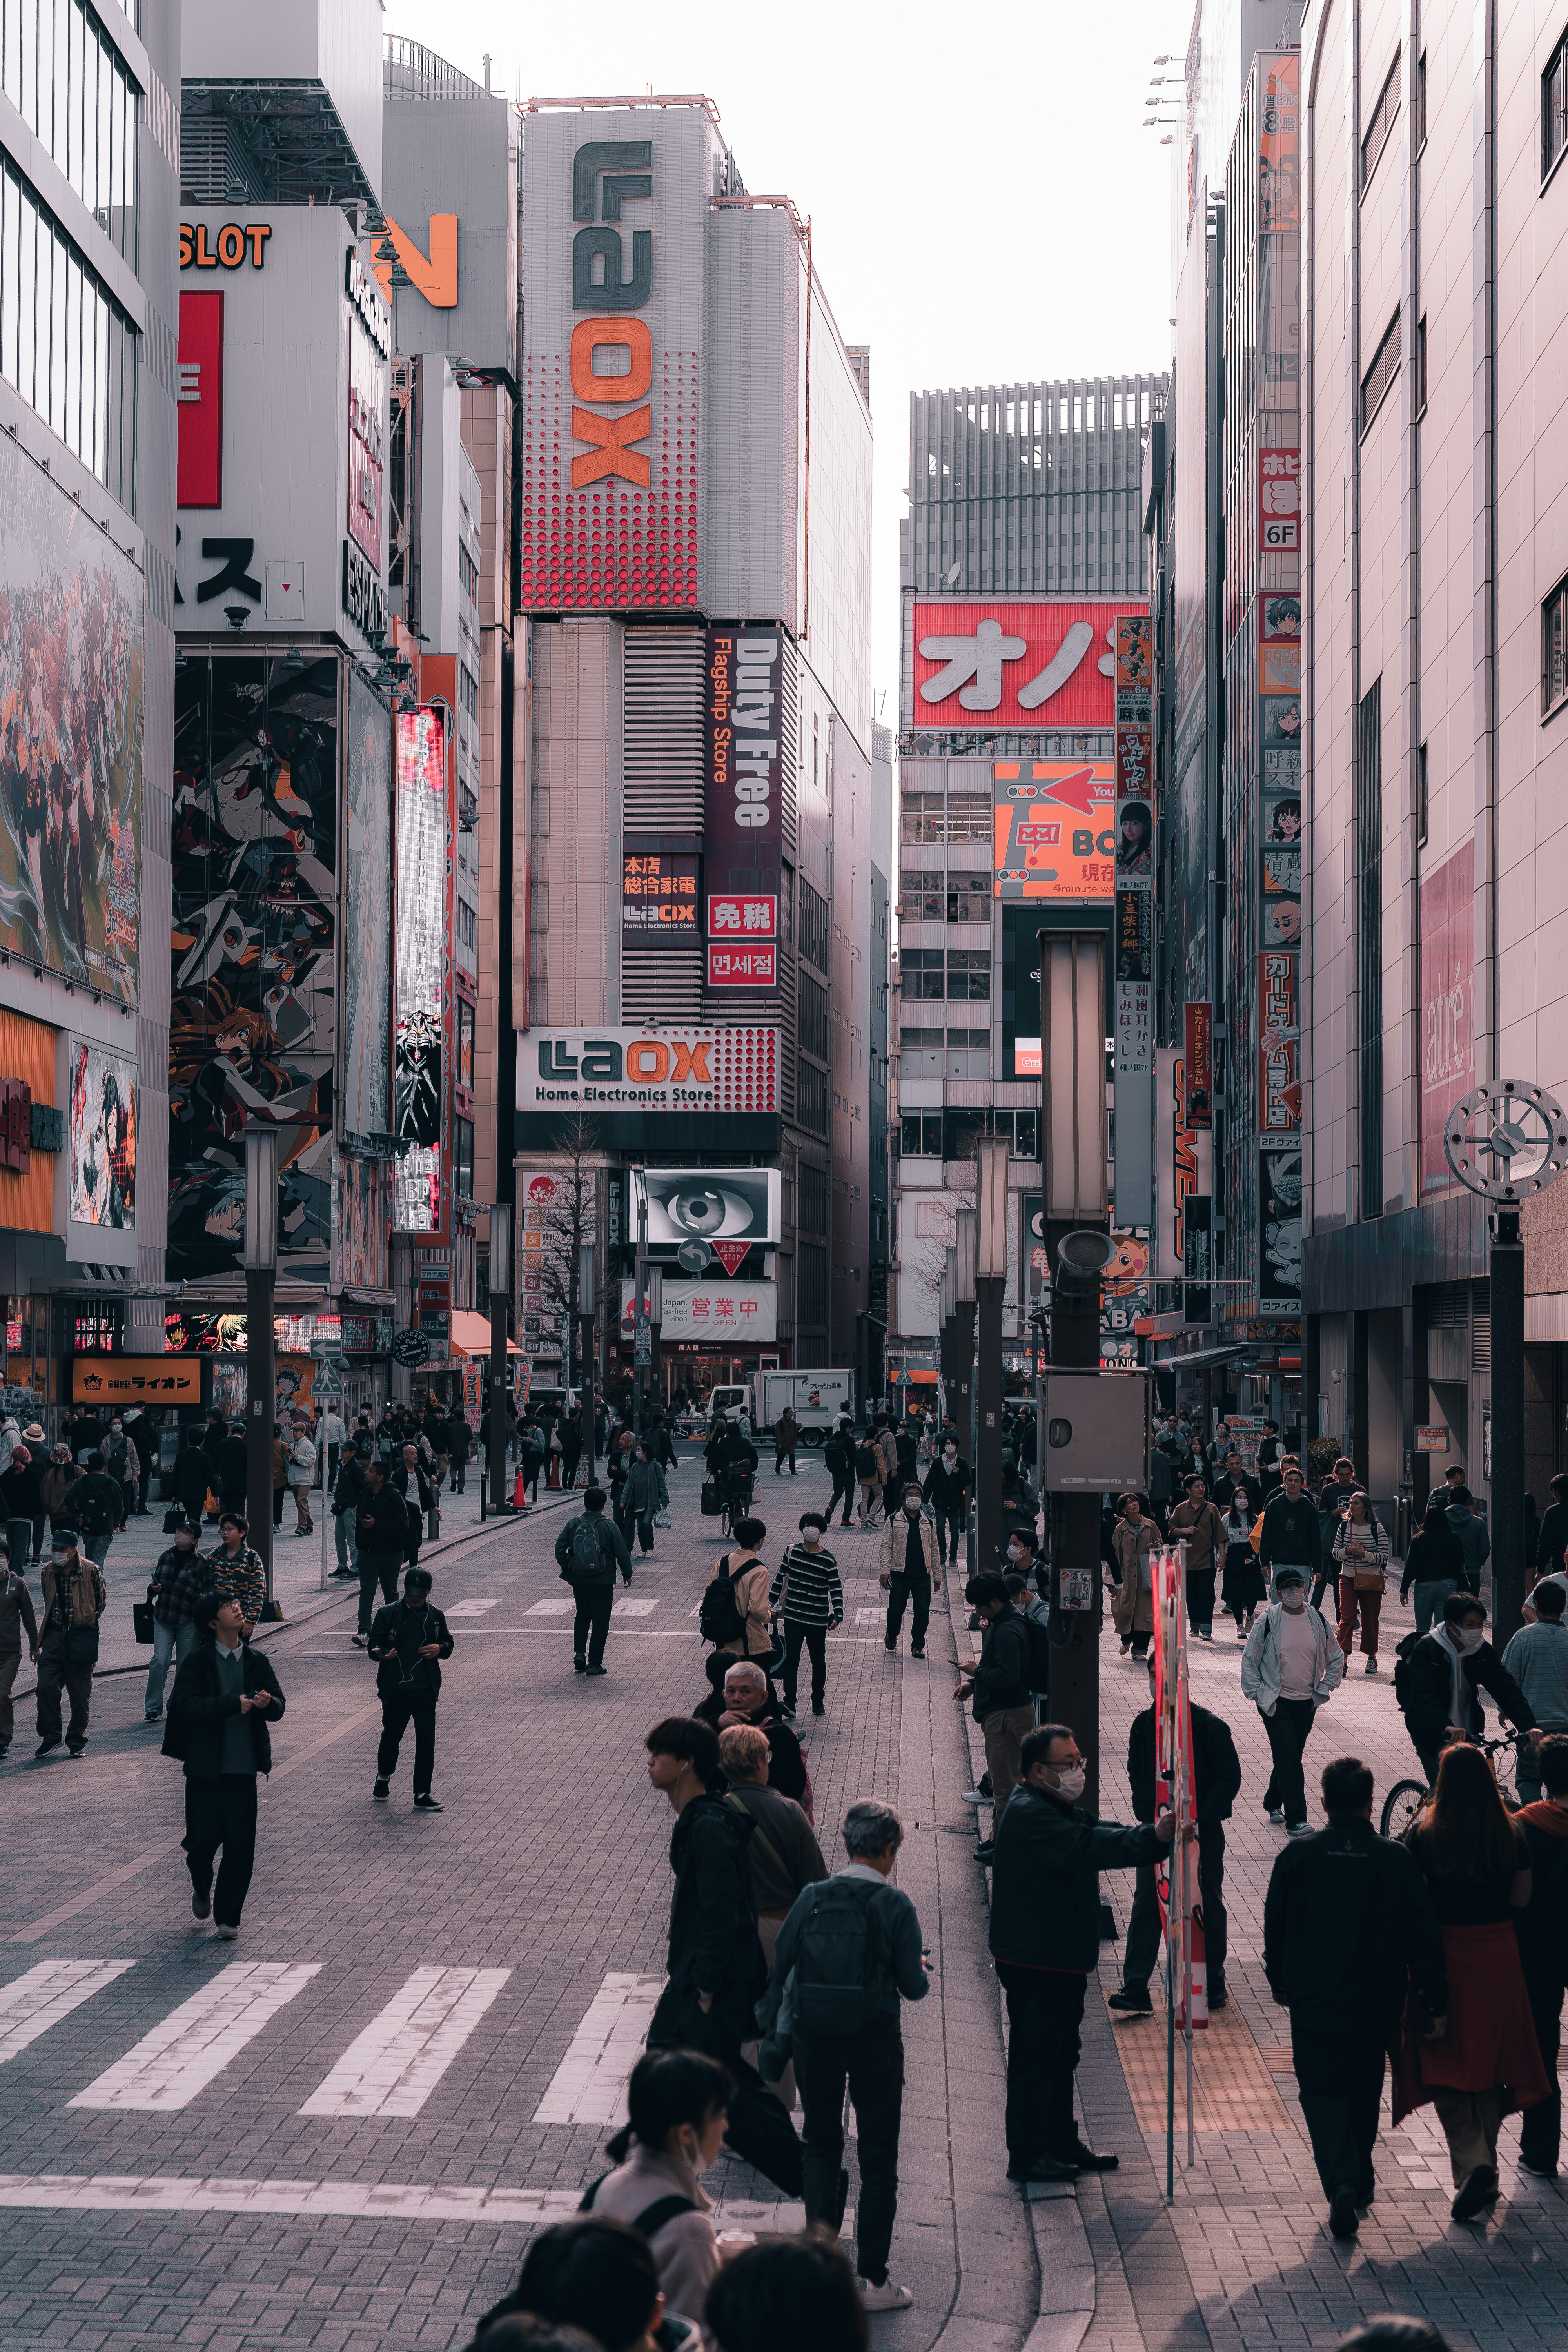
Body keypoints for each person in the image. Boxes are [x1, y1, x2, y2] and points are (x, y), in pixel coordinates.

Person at [753, 1798, 929, 2312]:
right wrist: (916, 1965)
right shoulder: (895, 1906)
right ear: (889, 1849)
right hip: (875, 2038)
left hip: (814, 2036)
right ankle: (874, 2282)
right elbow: (913, 1988)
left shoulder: (812, 1897)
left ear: (849, 1845)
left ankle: (819, 2270)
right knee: (877, 2158)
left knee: (821, 2145)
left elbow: (782, 1968)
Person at [1262, 1755, 1448, 2239]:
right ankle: (1360, 2176)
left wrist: (1278, 1979)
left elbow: (1275, 1925)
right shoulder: (1395, 1859)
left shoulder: (1298, 1857)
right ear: (1371, 1801)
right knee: (1364, 2087)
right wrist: (1434, 1999)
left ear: (1323, 1802)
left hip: (1314, 1999)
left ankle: (1342, 2181)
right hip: (1377, 1998)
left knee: (1321, 2089)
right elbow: (1422, 1934)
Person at [990, 1722, 1177, 2182]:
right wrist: (1152, 1839)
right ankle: (1028, 2154)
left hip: (1057, 1955)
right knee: (1037, 2055)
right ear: (1038, 1771)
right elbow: (1088, 1845)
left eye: (1080, 1762)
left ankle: (1059, 2140)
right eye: (1068, 1764)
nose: (1078, 1771)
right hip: (1036, 1958)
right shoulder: (1031, 1813)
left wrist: (1150, 1833)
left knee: (1061, 2051)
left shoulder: (1051, 1804)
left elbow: (1095, 1828)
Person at [642, 1715, 804, 2196]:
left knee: (729, 2092)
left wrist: (707, 1987)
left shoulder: (709, 1826)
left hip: (710, 1982)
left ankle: (811, 2180)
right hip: (700, 1977)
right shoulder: (702, 1819)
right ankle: (671, 2172)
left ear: (686, 1763)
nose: (649, 1762)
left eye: (658, 1754)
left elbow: (721, 1912)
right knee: (682, 2071)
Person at [1394, 1741, 1552, 2220]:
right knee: (1486, 2066)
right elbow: (1521, 1899)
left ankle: (1474, 2164)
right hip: (1499, 1956)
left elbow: (1413, 1905)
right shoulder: (1511, 1831)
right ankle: (1486, 2176)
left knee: (1443, 2066)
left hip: (1446, 1956)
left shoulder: (1424, 1835)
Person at [1109, 1655, 1241, 2014]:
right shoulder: (1144, 1725)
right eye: (1155, 1675)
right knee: (1147, 1904)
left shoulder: (1208, 1726)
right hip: (1156, 1831)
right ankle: (1136, 1985)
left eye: (1167, 1675)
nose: (1160, 1683)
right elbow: (1136, 1772)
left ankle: (1212, 1981)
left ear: (1184, 1678)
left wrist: (1199, 1817)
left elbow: (1230, 1777)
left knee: (1204, 1902)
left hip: (1202, 1832)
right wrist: (1148, 1814)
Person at [163, 1587, 286, 1938]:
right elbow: (185, 1706)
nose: (237, 1608)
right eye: (228, 1606)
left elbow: (279, 1706)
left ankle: (229, 1917)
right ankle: (202, 1886)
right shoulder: (197, 1662)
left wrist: (269, 1703)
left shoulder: (257, 1661)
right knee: (201, 1845)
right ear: (213, 1623)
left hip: (244, 1770)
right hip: (205, 1771)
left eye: (236, 1604)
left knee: (240, 1847)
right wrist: (232, 1704)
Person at [578, 2048, 732, 2326]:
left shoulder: (604, 2187)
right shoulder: (689, 2230)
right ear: (686, 2134)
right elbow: (692, 2337)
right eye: (719, 2115)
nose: (725, 2126)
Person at [1395, 1589, 1539, 1792]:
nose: (1477, 1631)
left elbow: (1506, 1688)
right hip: (1431, 1731)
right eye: (1471, 1625)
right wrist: (1445, 1727)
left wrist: (1529, 1726)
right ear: (1451, 1625)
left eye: (1480, 1624)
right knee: (1445, 1794)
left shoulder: (1481, 1651)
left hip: (1469, 1732)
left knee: (1475, 1791)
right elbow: (1423, 1697)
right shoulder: (1427, 1649)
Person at [1240, 1564, 1345, 1835]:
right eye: (1287, 1588)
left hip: (1307, 1702)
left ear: (1306, 1589)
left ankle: (1273, 1800)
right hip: (1276, 1703)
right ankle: (1296, 1819)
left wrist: (1324, 1688)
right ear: (1278, 1593)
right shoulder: (1268, 1620)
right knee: (1289, 1757)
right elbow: (1250, 1659)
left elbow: (1336, 1657)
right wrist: (1258, 1695)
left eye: (1297, 1587)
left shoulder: (1317, 1619)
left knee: (1290, 1755)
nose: (1293, 1592)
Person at [717, 1725, 828, 1971]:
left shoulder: (712, 1815)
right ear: (760, 1762)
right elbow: (817, 1882)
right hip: (779, 1932)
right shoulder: (789, 1811)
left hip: (726, 1934)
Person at [954, 1572, 1033, 1859]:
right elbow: (1000, 1668)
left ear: (996, 1602)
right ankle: (998, 1838)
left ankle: (1005, 1847)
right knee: (1004, 1783)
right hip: (1007, 1712)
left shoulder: (1008, 1630)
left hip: (1007, 1715)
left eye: (980, 1606)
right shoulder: (1006, 1623)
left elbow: (1008, 1676)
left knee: (1005, 1785)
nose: (979, 1612)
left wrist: (976, 1672)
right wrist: (974, 1684)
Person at [368, 1563, 454, 1811]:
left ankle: (422, 1792)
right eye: (411, 1595)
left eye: (419, 1596)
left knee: (426, 1741)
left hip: (426, 1689)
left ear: (429, 1591)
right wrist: (382, 1654)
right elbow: (374, 1644)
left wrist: (440, 1649)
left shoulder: (436, 1615)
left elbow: (448, 1642)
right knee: (392, 1736)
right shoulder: (387, 1613)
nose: (414, 1599)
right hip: (396, 1690)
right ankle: (383, 1776)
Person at [34, 1527, 105, 1758]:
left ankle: (76, 1740)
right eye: (54, 1548)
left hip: (80, 1639)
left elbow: (100, 1603)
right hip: (53, 1638)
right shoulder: (47, 1571)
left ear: (74, 1550)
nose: (57, 1553)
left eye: (61, 1549)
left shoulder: (92, 1571)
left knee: (80, 1694)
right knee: (45, 1688)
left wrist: (83, 1625)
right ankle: (51, 1736)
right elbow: (48, 1603)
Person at [699, 1657, 809, 1806]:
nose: (736, 1698)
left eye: (745, 1692)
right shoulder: (714, 1726)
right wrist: (715, 1724)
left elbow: (794, 1787)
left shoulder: (779, 1735)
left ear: (763, 1697)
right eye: (731, 1692)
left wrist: (752, 1759)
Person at [554, 1485, 634, 1677]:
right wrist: (627, 1573)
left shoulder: (574, 1523)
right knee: (601, 1622)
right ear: (603, 1506)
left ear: (585, 1503)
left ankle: (580, 1654)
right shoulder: (609, 1526)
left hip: (579, 1579)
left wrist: (568, 1569)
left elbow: (559, 1548)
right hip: (603, 1580)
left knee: (582, 1615)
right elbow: (622, 1552)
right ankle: (595, 1664)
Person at [770, 1513, 844, 1720]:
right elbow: (779, 1579)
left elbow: (836, 1588)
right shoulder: (791, 1552)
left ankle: (818, 1700)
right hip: (793, 1618)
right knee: (791, 1659)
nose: (810, 1529)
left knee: (818, 1661)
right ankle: (790, 1703)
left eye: (814, 1526)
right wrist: (769, 1604)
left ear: (821, 1531)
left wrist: (838, 1614)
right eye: (806, 1525)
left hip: (817, 1620)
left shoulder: (828, 1560)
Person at [1502, 1581, 1568, 1804]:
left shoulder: (1523, 1637)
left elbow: (1508, 1679)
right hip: (1564, 1729)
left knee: (1529, 1779)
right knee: (1560, 1782)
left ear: (1536, 1606)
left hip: (1531, 1727)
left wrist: (1504, 1709)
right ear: (1564, 1607)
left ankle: (1533, 1819)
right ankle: (1555, 1819)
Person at [145, 1519, 212, 1723]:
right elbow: (154, 1587)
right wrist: (153, 1589)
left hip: (188, 1621)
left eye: (186, 1532)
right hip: (164, 1617)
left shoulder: (201, 1563)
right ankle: (153, 1707)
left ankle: (176, 1705)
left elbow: (208, 1594)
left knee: (185, 1664)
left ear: (194, 1539)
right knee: (160, 1661)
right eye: (179, 1530)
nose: (180, 1535)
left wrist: (204, 1619)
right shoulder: (166, 1556)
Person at [353, 1460, 412, 1647]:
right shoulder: (364, 1494)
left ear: (380, 1477)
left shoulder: (394, 1496)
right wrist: (360, 1543)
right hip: (367, 1552)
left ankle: (393, 1630)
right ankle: (364, 1631)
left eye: (371, 1471)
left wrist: (376, 1525)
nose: (366, 1473)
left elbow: (402, 1526)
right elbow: (359, 1522)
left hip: (390, 1553)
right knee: (367, 1591)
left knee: (390, 1591)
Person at [879, 1485, 942, 1659]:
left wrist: (937, 1575)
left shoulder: (929, 1522)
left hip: (923, 1575)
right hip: (899, 1574)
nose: (914, 1498)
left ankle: (918, 1646)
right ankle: (892, 1633)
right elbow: (886, 1545)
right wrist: (885, 1570)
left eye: (917, 1495)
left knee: (922, 1612)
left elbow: (935, 1549)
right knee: (896, 1610)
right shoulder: (894, 1520)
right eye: (910, 1495)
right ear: (904, 1498)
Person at [1334, 1492, 1391, 1675]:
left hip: (1371, 1580)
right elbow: (1335, 1553)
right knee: (1347, 1617)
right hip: (1348, 1578)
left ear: (1366, 1507)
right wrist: (1348, 1551)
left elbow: (1385, 1556)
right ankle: (1342, 1658)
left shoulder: (1376, 1528)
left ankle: (1372, 1657)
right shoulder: (1344, 1526)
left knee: (1370, 1619)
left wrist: (1364, 1555)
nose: (1352, 1506)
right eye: (1351, 1503)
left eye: (1356, 1503)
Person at [702, 1519, 774, 1660]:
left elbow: (708, 1597)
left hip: (723, 1642)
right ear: (760, 1541)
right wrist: (769, 1614)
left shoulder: (722, 1563)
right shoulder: (760, 1570)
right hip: (751, 1645)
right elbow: (757, 1610)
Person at [1167, 1474, 1224, 1641]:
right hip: (1186, 1561)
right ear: (1188, 1490)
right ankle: (1195, 1625)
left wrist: (1223, 1555)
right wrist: (1185, 1531)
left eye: (1203, 1486)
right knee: (1191, 1595)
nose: (1201, 1489)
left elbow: (1220, 1535)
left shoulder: (1211, 1508)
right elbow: (1171, 1529)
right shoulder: (1180, 1509)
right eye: (1197, 1487)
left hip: (1207, 1560)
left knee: (1207, 1595)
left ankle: (1207, 1628)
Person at [1398, 1500, 1467, 1635]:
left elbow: (1410, 1566)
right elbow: (1460, 1562)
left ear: (1427, 1519)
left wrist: (1404, 1589)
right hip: (1448, 1586)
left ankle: (1423, 1649)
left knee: (1422, 1629)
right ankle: (1440, 1649)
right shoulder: (1453, 1537)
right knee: (1443, 1630)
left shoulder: (1418, 1539)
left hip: (1424, 1586)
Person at [0, 1539, 38, 1759]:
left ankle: (3, 1740)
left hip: (10, 1652)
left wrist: (35, 1646)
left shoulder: (17, 1584)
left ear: (8, 1560)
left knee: (2, 1694)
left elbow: (29, 1617)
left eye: (1, 1557)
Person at [1109, 1491, 1156, 1657]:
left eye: (1135, 1501)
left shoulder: (1151, 1525)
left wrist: (1155, 1548)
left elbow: (1160, 1546)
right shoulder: (1120, 1529)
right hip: (1127, 1576)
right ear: (1124, 1510)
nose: (1134, 1504)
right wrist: (1113, 1581)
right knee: (1125, 1610)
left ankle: (1140, 1650)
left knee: (1145, 1613)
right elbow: (1114, 1555)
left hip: (1146, 1576)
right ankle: (1126, 1639)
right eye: (1129, 1503)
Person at [208, 1512, 267, 1636]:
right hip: (215, 1619)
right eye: (223, 1530)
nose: (225, 1533)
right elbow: (205, 1586)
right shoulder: (214, 1555)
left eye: (230, 1529)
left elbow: (258, 1591)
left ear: (242, 1533)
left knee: (239, 1649)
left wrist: (250, 1620)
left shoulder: (252, 1558)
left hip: (239, 1619)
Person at [64, 1450, 123, 1571]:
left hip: (86, 1527)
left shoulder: (81, 1482)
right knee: (98, 1561)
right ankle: (95, 1581)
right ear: (104, 1466)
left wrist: (77, 1513)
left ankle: (90, 1580)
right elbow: (120, 1507)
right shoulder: (112, 1483)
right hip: (104, 1528)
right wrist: (116, 1520)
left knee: (90, 1559)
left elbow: (68, 1499)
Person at [1220, 1493, 1266, 1637]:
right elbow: (1221, 1539)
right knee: (1236, 1594)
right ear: (1234, 1500)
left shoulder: (1256, 1519)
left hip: (1252, 1554)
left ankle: (1250, 1615)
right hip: (1234, 1555)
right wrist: (1221, 1556)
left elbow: (1262, 1539)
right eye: (1239, 1497)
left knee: (1253, 1594)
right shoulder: (1227, 1519)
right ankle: (1240, 1626)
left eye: (1245, 1497)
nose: (1242, 1500)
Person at [921, 1433, 969, 1570]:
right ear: (944, 1446)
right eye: (948, 1444)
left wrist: (959, 1473)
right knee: (940, 1528)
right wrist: (925, 1500)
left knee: (954, 1531)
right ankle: (942, 1555)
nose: (950, 1446)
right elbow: (930, 1481)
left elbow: (968, 1481)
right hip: (940, 1502)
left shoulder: (962, 1463)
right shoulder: (938, 1462)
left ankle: (953, 1558)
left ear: (956, 1446)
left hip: (955, 1503)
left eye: (952, 1444)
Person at [617, 1441, 668, 1556]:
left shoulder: (655, 1466)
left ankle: (650, 1547)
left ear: (645, 1452)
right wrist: (624, 1498)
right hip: (637, 1502)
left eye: (639, 1450)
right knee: (640, 1527)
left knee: (646, 1523)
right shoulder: (635, 1467)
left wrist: (665, 1499)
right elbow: (628, 1485)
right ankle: (644, 1549)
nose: (637, 1452)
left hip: (651, 1502)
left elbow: (662, 1484)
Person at [392, 1442, 436, 1568]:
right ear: (405, 1456)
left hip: (418, 1512)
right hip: (406, 1513)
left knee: (418, 1541)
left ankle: (404, 1562)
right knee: (412, 1542)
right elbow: (395, 1495)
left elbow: (425, 1489)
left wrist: (434, 1506)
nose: (416, 1456)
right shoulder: (399, 1474)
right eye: (412, 1454)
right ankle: (413, 1569)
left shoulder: (418, 1471)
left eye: (416, 1453)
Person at [331, 1441, 369, 1581]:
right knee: (339, 1539)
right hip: (340, 1508)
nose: (342, 1452)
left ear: (353, 1453)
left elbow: (366, 1487)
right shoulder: (343, 1465)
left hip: (350, 1508)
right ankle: (343, 1566)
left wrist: (360, 1503)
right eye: (342, 1450)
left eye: (345, 1450)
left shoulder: (356, 1467)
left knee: (352, 1540)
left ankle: (356, 1568)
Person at [1445, 1485, 1491, 1593]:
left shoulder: (1441, 1519)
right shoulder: (1479, 1523)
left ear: (1449, 1500)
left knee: (1449, 1603)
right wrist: (1476, 1563)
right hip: (1472, 1574)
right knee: (1471, 1603)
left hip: (1447, 1573)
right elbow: (1485, 1550)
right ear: (1467, 1501)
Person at [173, 1426, 217, 1532]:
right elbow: (211, 1477)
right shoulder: (205, 1457)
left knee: (190, 1515)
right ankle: (193, 1538)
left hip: (185, 1493)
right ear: (202, 1442)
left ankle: (190, 1536)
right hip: (199, 1493)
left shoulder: (181, 1456)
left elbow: (176, 1476)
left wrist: (175, 1494)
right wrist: (215, 1494)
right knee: (195, 1518)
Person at [822, 1419, 856, 1530]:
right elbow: (853, 1457)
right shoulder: (849, 1440)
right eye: (851, 1428)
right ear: (848, 1428)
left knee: (837, 1493)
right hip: (848, 1473)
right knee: (849, 1496)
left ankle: (830, 1508)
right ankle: (845, 1519)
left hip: (835, 1473)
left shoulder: (833, 1438)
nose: (851, 1430)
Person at [1212, 1449, 1263, 1521]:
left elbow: (1260, 1504)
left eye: (1237, 1463)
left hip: (1250, 1521)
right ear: (1228, 1466)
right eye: (1232, 1464)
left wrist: (1256, 1517)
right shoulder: (1220, 1483)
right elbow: (1214, 1506)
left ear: (1242, 1464)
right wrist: (1220, 1513)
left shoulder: (1253, 1481)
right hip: (1227, 1521)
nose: (1235, 1466)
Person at [1536, 1470, 1568, 1578]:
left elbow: (1545, 1544)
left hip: (1561, 1566)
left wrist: (1540, 1570)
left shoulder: (1553, 1512)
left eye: (1553, 1491)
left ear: (1558, 1491)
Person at [214, 1419, 248, 1521]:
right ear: (244, 1433)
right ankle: (238, 1526)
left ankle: (226, 1525)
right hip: (241, 1484)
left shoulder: (221, 1444)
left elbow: (215, 1463)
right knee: (239, 1508)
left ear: (231, 1432)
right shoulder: (246, 1446)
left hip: (224, 1484)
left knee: (226, 1508)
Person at [853, 1431, 884, 1528]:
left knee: (864, 1499)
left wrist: (858, 1477)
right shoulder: (878, 1447)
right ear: (876, 1436)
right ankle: (872, 1516)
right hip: (874, 1477)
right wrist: (884, 1478)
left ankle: (864, 1522)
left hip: (863, 1477)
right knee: (879, 1496)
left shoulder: (861, 1446)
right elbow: (881, 1464)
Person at [318, 1402, 347, 1491]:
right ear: (336, 1411)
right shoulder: (339, 1421)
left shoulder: (322, 1420)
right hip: (335, 1446)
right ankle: (330, 1487)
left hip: (323, 1446)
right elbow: (343, 1436)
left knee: (324, 1466)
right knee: (333, 1467)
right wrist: (344, 1449)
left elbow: (318, 1435)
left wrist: (317, 1448)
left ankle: (323, 1485)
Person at [445, 1406, 473, 1494]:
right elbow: (470, 1437)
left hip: (453, 1450)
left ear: (456, 1416)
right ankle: (460, 1487)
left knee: (453, 1468)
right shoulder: (467, 1426)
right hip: (463, 1450)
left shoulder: (450, 1426)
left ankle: (454, 1479)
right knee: (462, 1470)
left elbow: (447, 1438)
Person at [773, 1406, 800, 1477]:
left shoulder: (793, 1422)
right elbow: (778, 1434)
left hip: (791, 1443)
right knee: (781, 1456)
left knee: (792, 1457)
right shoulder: (780, 1422)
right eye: (790, 1412)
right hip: (783, 1443)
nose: (792, 1414)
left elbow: (795, 1433)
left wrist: (795, 1442)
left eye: (792, 1412)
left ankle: (793, 1471)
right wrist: (779, 1444)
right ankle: (778, 1469)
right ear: (785, 1413)